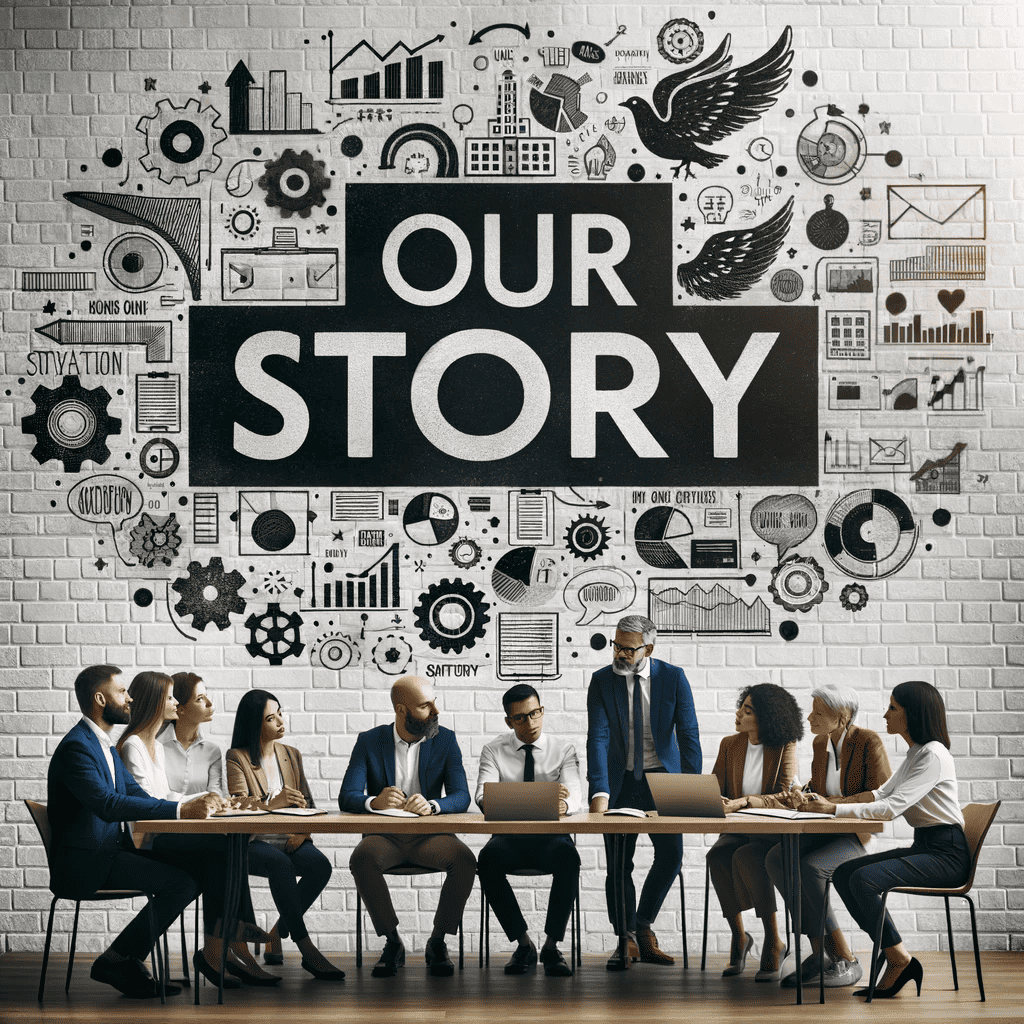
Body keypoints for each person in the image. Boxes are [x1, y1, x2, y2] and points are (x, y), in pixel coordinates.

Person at [46, 665, 251, 998]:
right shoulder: (78, 748)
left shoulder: (104, 745)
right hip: (86, 865)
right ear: (100, 699)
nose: (129, 698)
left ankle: (210, 943)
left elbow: (139, 797)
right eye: (121, 692)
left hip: (109, 852)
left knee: (208, 861)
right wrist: (183, 810)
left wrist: (192, 805)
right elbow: (108, 804)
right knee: (187, 877)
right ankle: (122, 958)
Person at [799, 680, 969, 999]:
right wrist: (826, 803)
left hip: (948, 853)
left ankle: (898, 958)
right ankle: (896, 956)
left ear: (913, 714)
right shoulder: (916, 754)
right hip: (928, 846)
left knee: (862, 879)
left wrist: (833, 809)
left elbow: (890, 808)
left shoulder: (932, 755)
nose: (885, 715)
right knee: (844, 872)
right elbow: (881, 792)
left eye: (893, 708)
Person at [117, 671, 279, 986]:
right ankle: (229, 938)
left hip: (167, 836)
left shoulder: (154, 747)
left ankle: (218, 948)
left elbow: (165, 796)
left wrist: (205, 799)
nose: (175, 703)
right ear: (155, 703)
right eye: (170, 698)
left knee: (223, 850)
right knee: (222, 849)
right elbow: (147, 804)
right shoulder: (134, 745)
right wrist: (198, 801)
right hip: (149, 842)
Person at [339, 675, 475, 979]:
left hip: (430, 836)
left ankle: (437, 941)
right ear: (402, 710)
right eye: (426, 706)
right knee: (361, 858)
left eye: (434, 702)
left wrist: (434, 805)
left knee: (465, 859)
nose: (436, 711)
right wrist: (375, 802)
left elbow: (462, 796)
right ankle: (392, 942)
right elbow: (347, 796)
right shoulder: (369, 740)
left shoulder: (446, 739)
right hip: (384, 837)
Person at [587, 613, 702, 970]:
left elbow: (689, 735)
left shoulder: (673, 678)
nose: (619, 653)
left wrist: (689, 789)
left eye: (628, 649)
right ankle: (625, 941)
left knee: (671, 856)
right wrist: (599, 791)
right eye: (616, 645)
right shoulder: (601, 681)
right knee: (618, 866)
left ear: (648, 648)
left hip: (663, 782)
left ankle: (642, 927)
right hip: (621, 783)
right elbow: (598, 737)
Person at [764, 683, 892, 988]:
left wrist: (830, 805)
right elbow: (821, 789)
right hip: (825, 831)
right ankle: (821, 953)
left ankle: (844, 958)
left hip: (853, 833)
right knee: (777, 858)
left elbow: (880, 798)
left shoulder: (868, 742)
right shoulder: (821, 744)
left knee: (812, 867)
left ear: (843, 716)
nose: (809, 718)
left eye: (818, 712)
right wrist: (804, 794)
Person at [226, 689, 344, 981]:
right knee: (281, 864)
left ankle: (276, 933)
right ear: (255, 725)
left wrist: (302, 832)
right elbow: (238, 804)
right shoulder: (236, 757)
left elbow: (309, 803)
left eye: (280, 712)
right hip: (252, 841)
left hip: (288, 836)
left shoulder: (291, 754)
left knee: (320, 866)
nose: (280, 720)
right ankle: (307, 950)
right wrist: (270, 803)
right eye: (270, 717)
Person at [475, 684, 582, 977]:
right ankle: (523, 944)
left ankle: (551, 945)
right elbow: (484, 798)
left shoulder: (563, 749)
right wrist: (543, 798)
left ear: (542, 710)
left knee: (568, 858)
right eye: (520, 717)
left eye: (535, 713)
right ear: (509, 721)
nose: (530, 722)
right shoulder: (494, 750)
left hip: (552, 837)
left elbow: (575, 796)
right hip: (509, 837)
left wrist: (564, 805)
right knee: (487, 859)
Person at [707, 683, 802, 981]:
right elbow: (715, 787)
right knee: (718, 855)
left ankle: (774, 940)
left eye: (747, 711)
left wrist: (746, 801)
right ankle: (740, 936)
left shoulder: (784, 746)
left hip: (768, 832)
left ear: (766, 719)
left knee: (748, 857)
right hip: (736, 830)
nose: (738, 714)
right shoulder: (729, 744)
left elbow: (786, 795)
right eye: (741, 706)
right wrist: (717, 799)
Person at [160, 672, 225, 798]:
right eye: (200, 699)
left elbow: (215, 794)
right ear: (180, 709)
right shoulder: (157, 745)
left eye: (206, 696)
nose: (210, 704)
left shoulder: (213, 751)